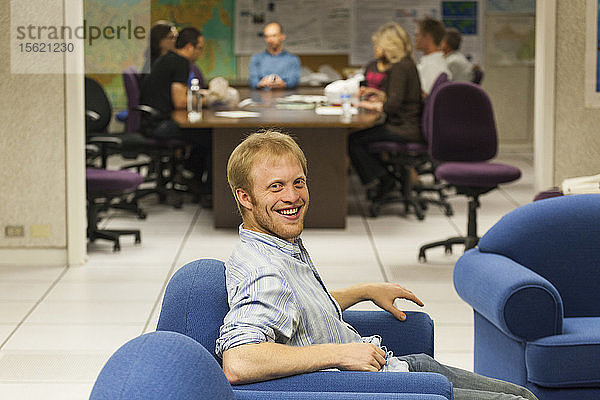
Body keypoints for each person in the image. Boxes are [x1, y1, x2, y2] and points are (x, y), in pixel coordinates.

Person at [216, 129, 538, 400]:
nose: (293, 197)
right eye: (276, 187)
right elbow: (239, 361)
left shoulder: (278, 245)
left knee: (525, 396)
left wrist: (363, 290)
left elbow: (298, 306)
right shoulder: (263, 270)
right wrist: (339, 354)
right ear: (245, 197)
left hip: (399, 366)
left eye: (298, 182)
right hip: (381, 386)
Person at [348, 22, 423, 199]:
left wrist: (369, 105)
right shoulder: (406, 64)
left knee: (353, 140)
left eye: (380, 44)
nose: (377, 47)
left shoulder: (399, 68)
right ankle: (384, 178)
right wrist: (379, 94)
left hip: (403, 129)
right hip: (408, 125)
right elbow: (398, 97)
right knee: (358, 138)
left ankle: (384, 180)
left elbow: (393, 106)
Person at [140, 27, 211, 191]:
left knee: (205, 134)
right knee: (211, 137)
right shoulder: (180, 62)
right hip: (159, 125)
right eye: (199, 48)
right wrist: (210, 100)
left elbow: (180, 93)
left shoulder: (168, 59)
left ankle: (191, 174)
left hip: (151, 121)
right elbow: (180, 101)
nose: (200, 53)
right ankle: (206, 189)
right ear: (188, 47)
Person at [249, 22, 301, 89]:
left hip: (286, 97)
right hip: (262, 97)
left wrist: (283, 84)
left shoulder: (293, 59)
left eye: (274, 36)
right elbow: (253, 82)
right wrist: (261, 84)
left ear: (282, 37)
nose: (270, 40)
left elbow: (294, 82)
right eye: (267, 36)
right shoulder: (256, 58)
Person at [415, 18, 452, 96]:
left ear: (427, 38)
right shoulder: (431, 61)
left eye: (417, 35)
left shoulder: (434, 66)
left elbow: (425, 97)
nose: (415, 39)